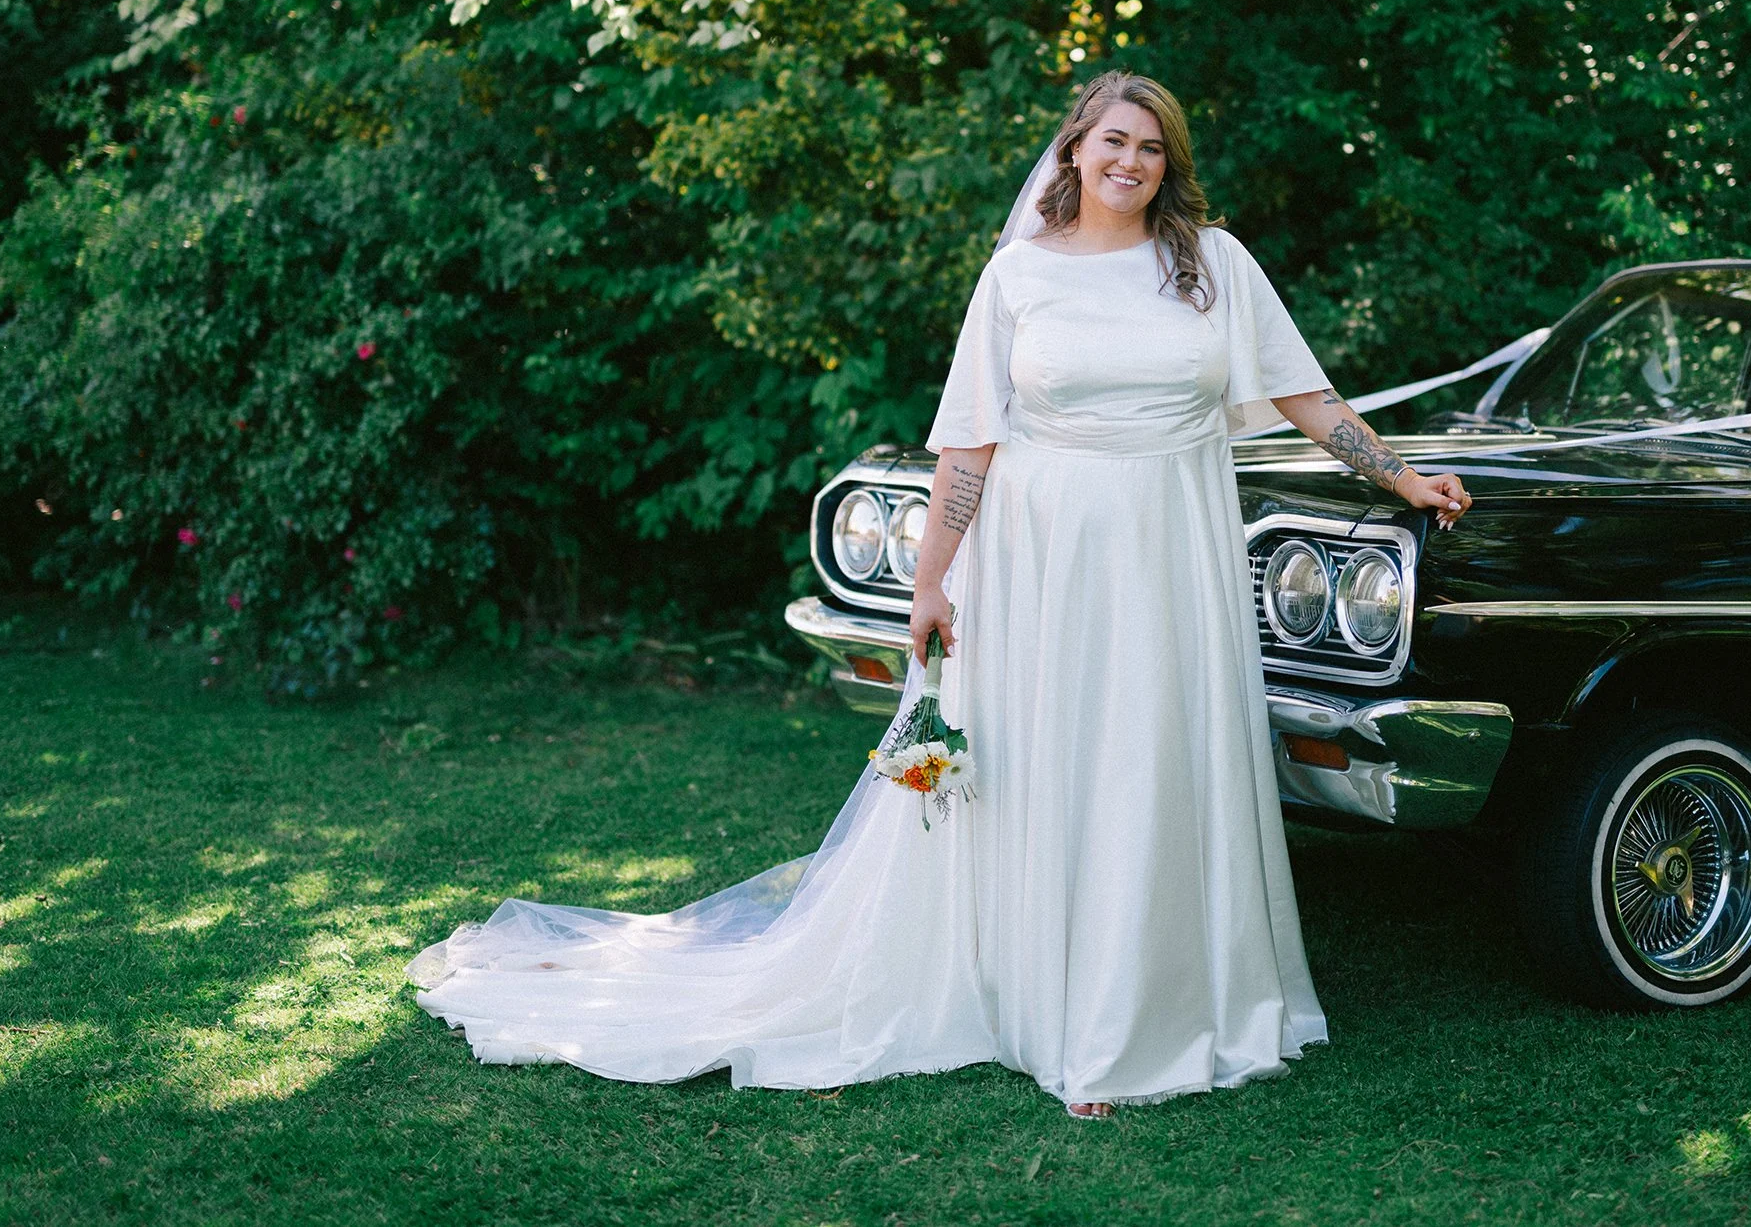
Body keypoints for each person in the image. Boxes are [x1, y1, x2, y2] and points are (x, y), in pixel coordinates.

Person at [405, 71, 1474, 1118]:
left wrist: (1400, 477)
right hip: (1045, 554)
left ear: (1169, 165)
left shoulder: (1212, 268)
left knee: (1156, 758)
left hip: (1173, 549)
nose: (1129, 161)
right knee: (1058, 764)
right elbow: (968, 446)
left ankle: (1164, 1006)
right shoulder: (1018, 276)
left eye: (1150, 148)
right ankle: (1064, 1015)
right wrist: (928, 582)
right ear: (1074, 149)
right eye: (1112, 141)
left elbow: (1302, 393)